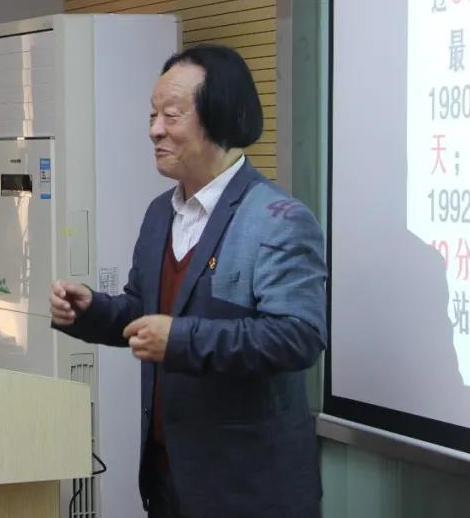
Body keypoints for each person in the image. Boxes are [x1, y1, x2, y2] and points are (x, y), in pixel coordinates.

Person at [50, 44, 326, 518]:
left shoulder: (277, 219)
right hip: (169, 480)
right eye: (152, 114)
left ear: (219, 117)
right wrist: (91, 311)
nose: (155, 129)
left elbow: (297, 336)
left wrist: (179, 339)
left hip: (249, 491)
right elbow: (146, 312)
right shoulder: (162, 213)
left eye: (171, 115)